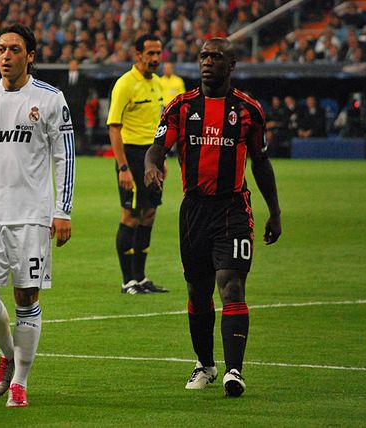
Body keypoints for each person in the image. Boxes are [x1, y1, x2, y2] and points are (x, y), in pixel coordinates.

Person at [144, 38, 282, 397]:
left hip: (233, 207)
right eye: (204, 56)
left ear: (231, 65)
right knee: (198, 290)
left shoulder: (249, 110)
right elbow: (158, 146)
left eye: (216, 57)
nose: (208, 62)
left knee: (232, 284)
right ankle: (205, 363)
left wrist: (275, 212)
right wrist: (151, 165)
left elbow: (261, 162)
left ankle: (234, 371)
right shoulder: (181, 107)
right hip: (194, 211)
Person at [0, 24, 75, 408]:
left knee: (27, 297)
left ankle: (20, 383)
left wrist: (62, 209)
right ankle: (9, 355)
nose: (5, 56)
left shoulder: (51, 99)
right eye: (1, 49)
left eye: (14, 49)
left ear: (30, 56)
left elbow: (65, 156)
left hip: (32, 217)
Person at [106, 34, 168, 295]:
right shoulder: (124, 84)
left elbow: (159, 126)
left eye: (158, 53)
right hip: (131, 155)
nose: (155, 58)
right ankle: (127, 280)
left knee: (149, 214)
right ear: (138, 54)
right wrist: (123, 167)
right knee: (130, 216)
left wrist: (161, 160)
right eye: (150, 53)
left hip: (152, 156)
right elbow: (114, 128)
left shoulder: (158, 84)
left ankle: (141, 278)